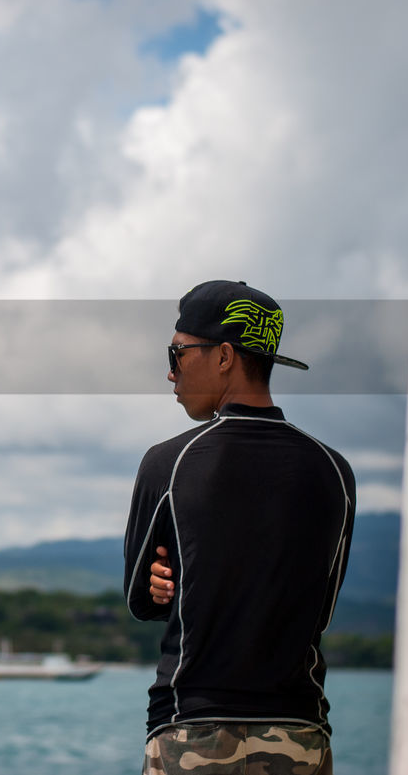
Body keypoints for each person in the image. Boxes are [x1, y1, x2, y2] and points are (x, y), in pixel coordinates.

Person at [123, 280, 356, 775]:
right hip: (300, 731)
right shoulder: (334, 471)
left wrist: (160, 585)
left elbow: (140, 602)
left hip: (193, 729)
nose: (170, 372)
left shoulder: (170, 462)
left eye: (178, 353)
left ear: (225, 356)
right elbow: (323, 605)